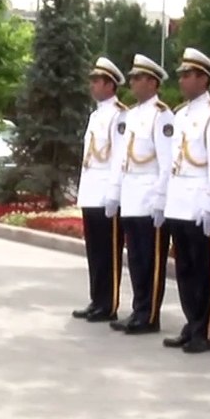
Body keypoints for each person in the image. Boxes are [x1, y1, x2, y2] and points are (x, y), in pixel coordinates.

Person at [160, 48, 210, 354]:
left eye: (188, 75)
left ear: (203, 78)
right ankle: (191, 323)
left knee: (204, 271)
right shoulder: (180, 114)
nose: (183, 80)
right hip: (179, 202)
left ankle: (205, 329)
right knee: (185, 270)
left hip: (200, 204)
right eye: (182, 75)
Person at [108, 54, 174, 335]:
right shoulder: (131, 115)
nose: (132, 82)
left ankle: (149, 315)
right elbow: (121, 157)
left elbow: (167, 160)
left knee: (151, 260)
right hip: (132, 194)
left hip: (149, 195)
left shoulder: (162, 115)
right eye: (132, 78)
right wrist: (115, 193)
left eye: (137, 78)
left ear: (152, 82)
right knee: (134, 257)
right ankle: (138, 308)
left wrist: (160, 199)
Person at [74, 58, 128, 323]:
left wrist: (114, 194)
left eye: (97, 81)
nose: (92, 85)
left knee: (109, 252)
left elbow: (118, 157)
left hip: (107, 193)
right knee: (94, 250)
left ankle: (109, 303)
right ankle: (97, 299)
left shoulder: (120, 115)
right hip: (91, 192)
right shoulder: (95, 115)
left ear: (110, 84)